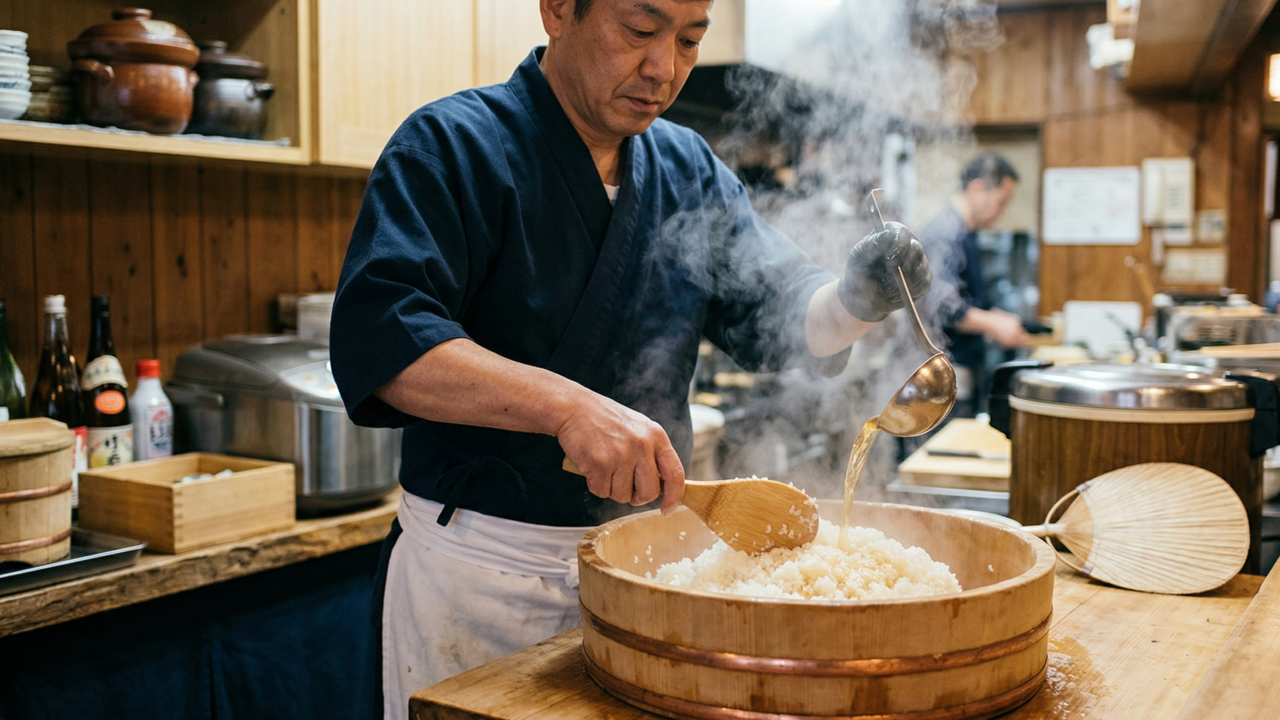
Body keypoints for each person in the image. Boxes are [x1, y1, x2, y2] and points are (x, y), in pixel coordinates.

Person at [328, 1, 931, 717]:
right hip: (483, 573)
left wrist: (857, 299)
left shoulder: (687, 168)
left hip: (648, 569)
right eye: (639, 32)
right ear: (558, 10)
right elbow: (386, 340)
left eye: (690, 39)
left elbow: (784, 318)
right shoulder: (451, 145)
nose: (663, 68)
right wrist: (568, 407)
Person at [917, 152, 1029, 418]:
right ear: (977, 189)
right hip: (935, 376)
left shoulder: (966, 232)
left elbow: (969, 297)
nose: (1002, 213)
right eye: (1002, 202)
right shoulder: (945, 231)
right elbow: (941, 304)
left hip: (957, 370)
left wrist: (993, 315)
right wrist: (993, 324)